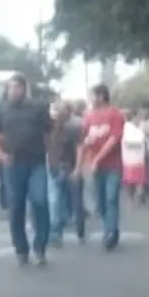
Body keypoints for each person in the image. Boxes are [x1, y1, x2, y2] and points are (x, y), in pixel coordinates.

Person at [0, 74, 53, 266]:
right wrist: (0, 155)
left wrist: (54, 158)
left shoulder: (37, 108)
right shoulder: (1, 110)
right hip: (13, 165)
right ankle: (21, 249)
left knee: (40, 201)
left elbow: (50, 131)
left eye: (16, 88)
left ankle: (40, 246)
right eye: (10, 88)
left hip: (36, 163)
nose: (13, 92)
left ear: (24, 89)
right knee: (16, 207)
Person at [79, 83, 125, 250]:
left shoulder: (115, 114)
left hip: (113, 165)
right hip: (96, 167)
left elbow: (113, 140)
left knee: (111, 197)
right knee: (101, 202)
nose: (92, 99)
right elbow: (84, 139)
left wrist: (97, 158)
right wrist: (83, 160)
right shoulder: (89, 117)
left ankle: (110, 232)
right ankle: (110, 227)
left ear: (102, 96)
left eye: (93, 96)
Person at [45, 102, 85, 246]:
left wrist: (78, 168)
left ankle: (77, 230)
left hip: (68, 168)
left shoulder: (73, 129)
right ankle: (57, 232)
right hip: (57, 168)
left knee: (69, 202)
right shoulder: (49, 130)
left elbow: (79, 148)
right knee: (57, 202)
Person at [121, 110, 149, 204]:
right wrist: (140, 142)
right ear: (134, 116)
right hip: (129, 158)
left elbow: (144, 140)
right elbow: (128, 142)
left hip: (140, 158)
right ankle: (131, 198)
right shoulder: (127, 127)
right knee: (130, 181)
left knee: (140, 179)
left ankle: (139, 195)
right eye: (140, 116)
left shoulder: (142, 126)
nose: (141, 119)